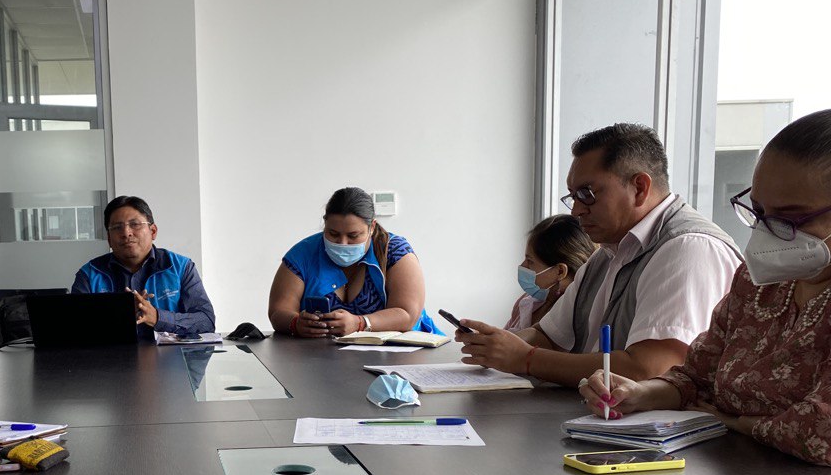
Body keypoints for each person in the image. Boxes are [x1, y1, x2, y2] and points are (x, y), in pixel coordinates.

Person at [580, 110, 831, 466]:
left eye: (789, 218)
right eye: (758, 212)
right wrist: (639, 393)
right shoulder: (757, 283)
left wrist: (733, 423)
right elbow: (697, 377)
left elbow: (821, 432)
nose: (766, 232)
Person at [457, 123, 741, 385]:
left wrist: (525, 358)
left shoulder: (688, 248)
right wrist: (497, 344)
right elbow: (549, 336)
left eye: (587, 194)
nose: (576, 211)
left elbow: (649, 369)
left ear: (639, 188)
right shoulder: (608, 252)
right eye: (573, 196)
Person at [268, 186, 438, 337]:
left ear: (372, 227)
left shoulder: (395, 252)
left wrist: (360, 323)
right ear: (325, 224)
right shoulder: (303, 254)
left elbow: (407, 314)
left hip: (403, 353)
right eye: (333, 234)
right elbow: (278, 311)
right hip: (322, 356)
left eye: (353, 235)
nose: (343, 243)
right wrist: (295, 323)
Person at [71, 195, 216, 337]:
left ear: (153, 231)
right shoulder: (89, 274)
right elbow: (73, 330)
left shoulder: (180, 267)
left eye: (135, 224)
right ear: (109, 238)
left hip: (171, 353)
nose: (126, 233)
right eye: (117, 227)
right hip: (112, 353)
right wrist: (117, 316)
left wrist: (157, 317)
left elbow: (206, 321)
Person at [505, 214, 596, 332]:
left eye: (530, 261)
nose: (523, 266)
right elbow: (504, 336)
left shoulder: (575, 315)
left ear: (560, 271)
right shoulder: (526, 300)